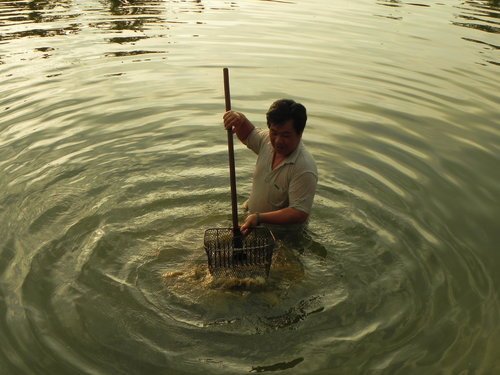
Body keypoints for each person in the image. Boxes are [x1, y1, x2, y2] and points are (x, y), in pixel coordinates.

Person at [223, 99, 318, 236]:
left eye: (285, 135)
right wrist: (239, 119)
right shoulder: (267, 141)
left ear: (300, 133)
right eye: (274, 132)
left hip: (282, 238)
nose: (278, 141)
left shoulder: (304, 167)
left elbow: (299, 212)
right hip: (251, 222)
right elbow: (248, 134)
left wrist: (259, 217)